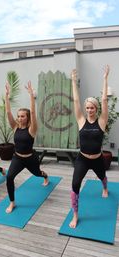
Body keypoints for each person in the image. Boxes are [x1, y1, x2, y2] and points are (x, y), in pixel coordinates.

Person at [69, 65, 109, 228]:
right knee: (75, 184)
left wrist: (105, 79)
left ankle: (105, 188)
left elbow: (105, 100)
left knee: (103, 177)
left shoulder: (102, 121)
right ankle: (75, 215)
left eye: (92, 107)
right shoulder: (81, 120)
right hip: (83, 159)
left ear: (96, 109)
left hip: (98, 158)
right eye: (87, 108)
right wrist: (73, 81)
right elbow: (77, 100)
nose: (89, 110)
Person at [5, 80, 49, 213]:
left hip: (31, 159)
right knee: (9, 177)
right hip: (17, 158)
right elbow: (8, 113)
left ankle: (45, 175)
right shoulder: (15, 127)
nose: (19, 118)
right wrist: (7, 96)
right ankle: (12, 202)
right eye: (18, 116)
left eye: (22, 116)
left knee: (37, 173)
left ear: (27, 117)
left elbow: (34, 114)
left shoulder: (32, 129)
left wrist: (31, 95)